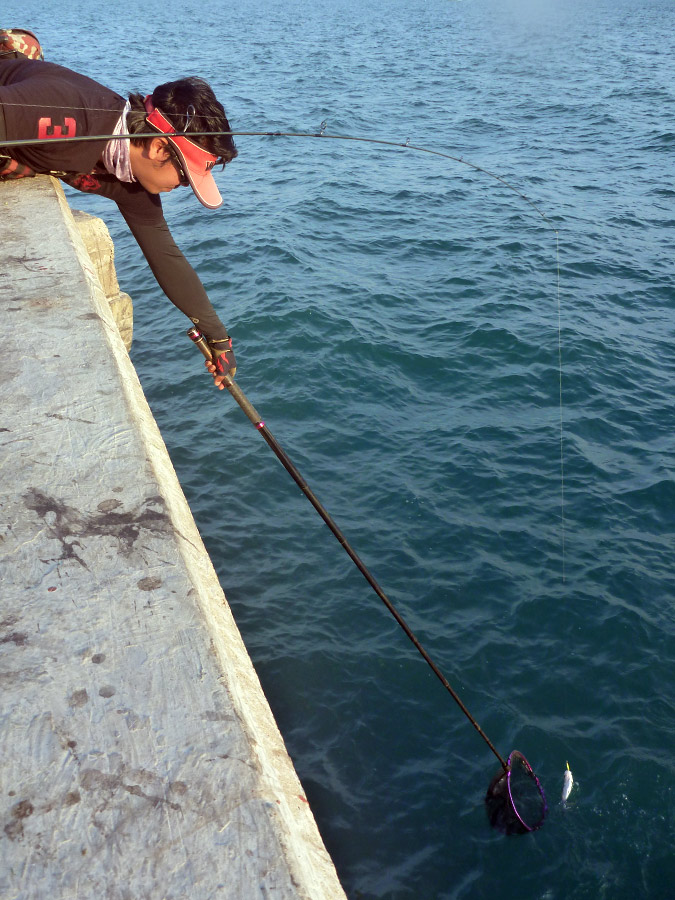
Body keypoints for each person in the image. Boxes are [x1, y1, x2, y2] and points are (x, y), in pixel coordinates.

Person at [0, 29, 237, 386]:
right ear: (158, 149)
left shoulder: (132, 183)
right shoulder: (64, 116)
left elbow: (165, 254)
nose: (181, 188)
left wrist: (219, 339)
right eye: (185, 178)